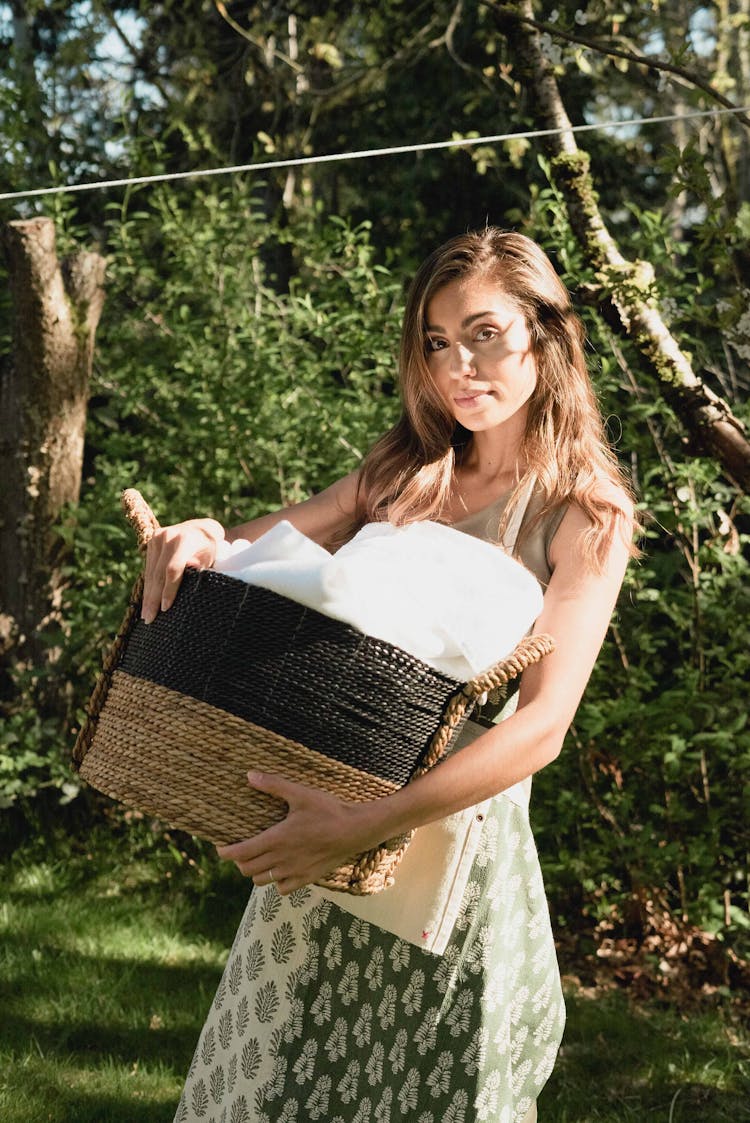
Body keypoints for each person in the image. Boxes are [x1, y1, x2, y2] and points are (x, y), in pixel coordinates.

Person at [144, 228, 636, 1123]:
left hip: (443, 843)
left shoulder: (586, 515)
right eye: (438, 342)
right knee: (272, 1084)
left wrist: (361, 826)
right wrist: (203, 534)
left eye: (484, 333)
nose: (459, 365)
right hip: (326, 804)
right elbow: (270, 545)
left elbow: (542, 725)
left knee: (434, 1095)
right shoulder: (407, 468)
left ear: (546, 336)